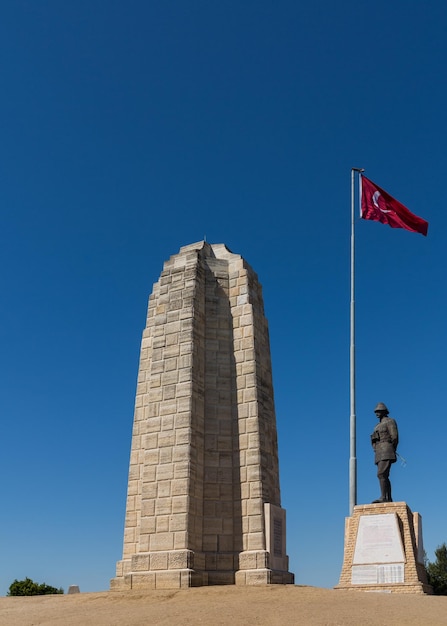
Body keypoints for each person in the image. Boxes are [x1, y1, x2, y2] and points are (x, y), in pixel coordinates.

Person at [370, 402, 399, 503]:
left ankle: (384, 497)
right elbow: (373, 440)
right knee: (383, 475)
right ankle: (387, 498)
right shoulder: (377, 426)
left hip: (387, 449)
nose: (377, 413)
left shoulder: (390, 421)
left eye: (378, 411)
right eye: (376, 412)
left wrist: (391, 448)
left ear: (384, 411)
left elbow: (394, 437)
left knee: (381, 474)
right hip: (379, 451)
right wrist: (374, 445)